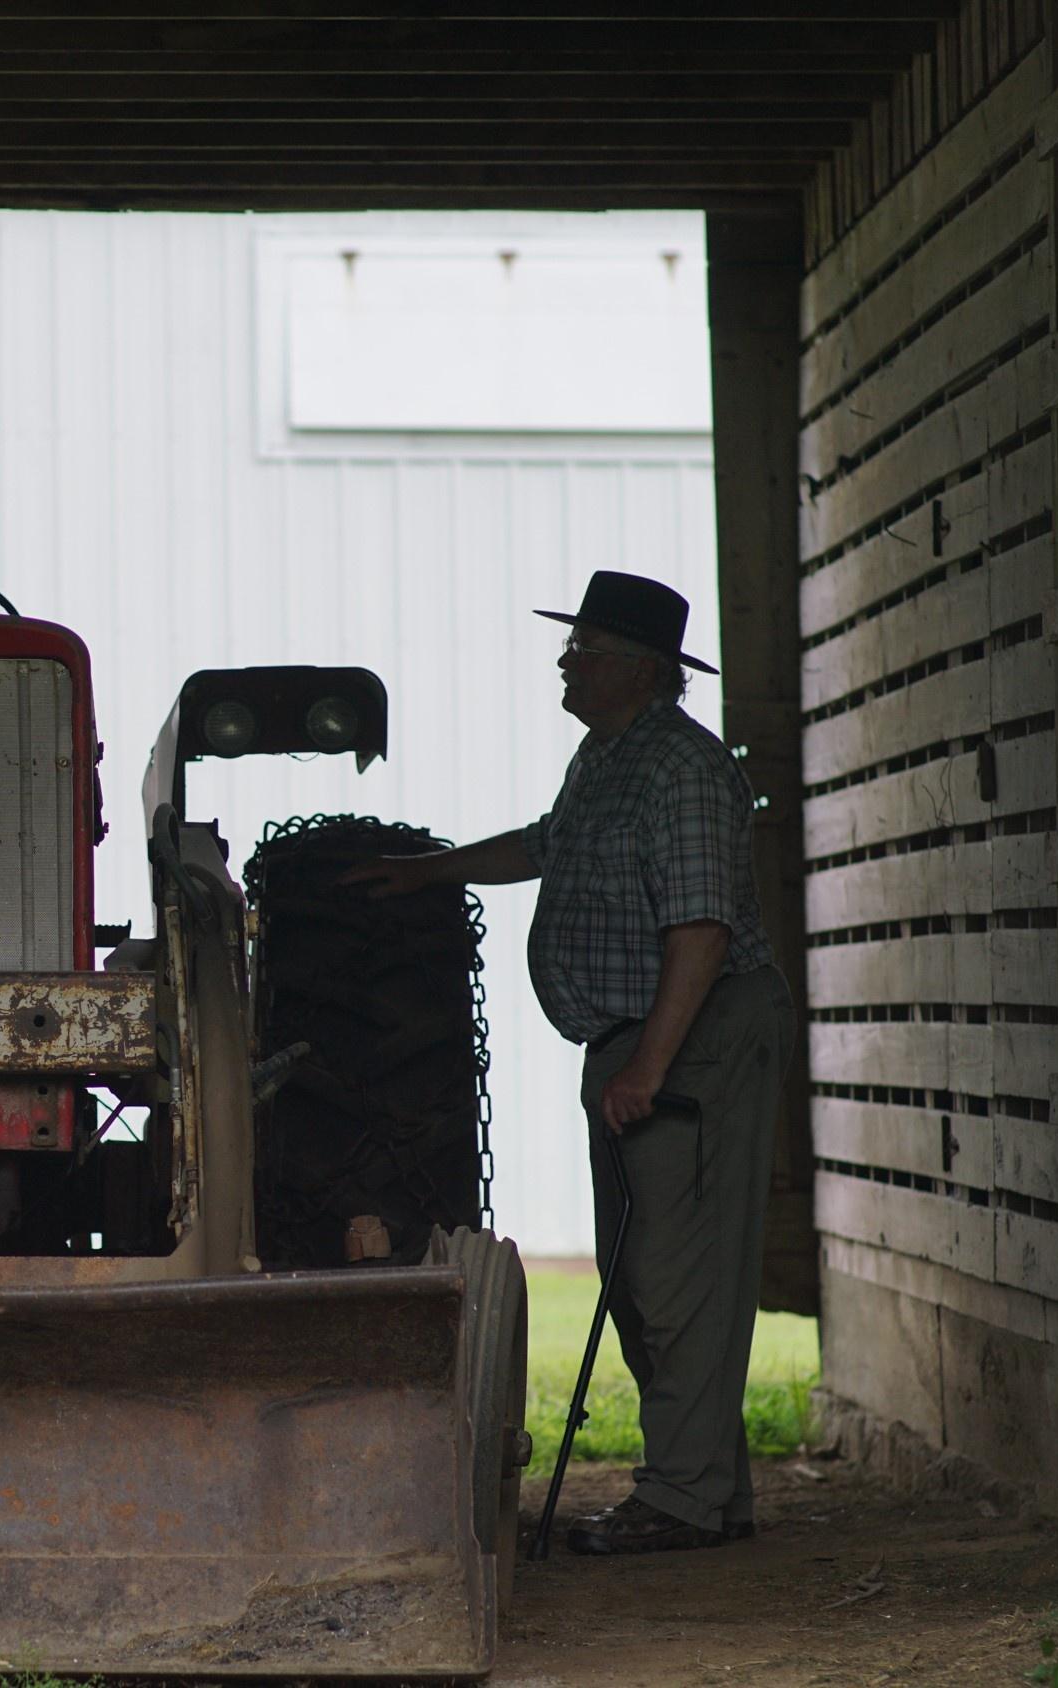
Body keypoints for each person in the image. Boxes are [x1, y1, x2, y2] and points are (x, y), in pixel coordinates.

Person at [344, 570, 792, 1554]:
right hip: (638, 1042)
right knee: (648, 1274)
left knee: (675, 1276)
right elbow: (551, 844)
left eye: (582, 648)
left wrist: (652, 1066)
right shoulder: (609, 755)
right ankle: (709, 1490)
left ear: (636, 667)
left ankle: (681, 1497)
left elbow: (704, 930)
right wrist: (430, 869)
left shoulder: (681, 768)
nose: (565, 661)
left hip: (689, 1043)